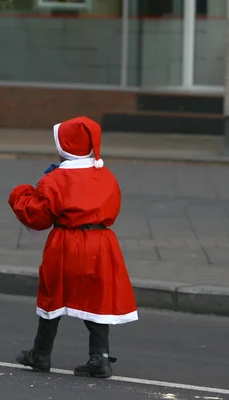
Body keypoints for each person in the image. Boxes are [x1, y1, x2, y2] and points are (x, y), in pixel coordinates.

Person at [8, 116, 138, 379]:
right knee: (98, 299)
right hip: (101, 244)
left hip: (66, 242)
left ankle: (41, 354)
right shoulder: (106, 175)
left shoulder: (55, 179)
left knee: (53, 296)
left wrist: (20, 194)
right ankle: (99, 358)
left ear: (65, 145)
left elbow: (39, 217)